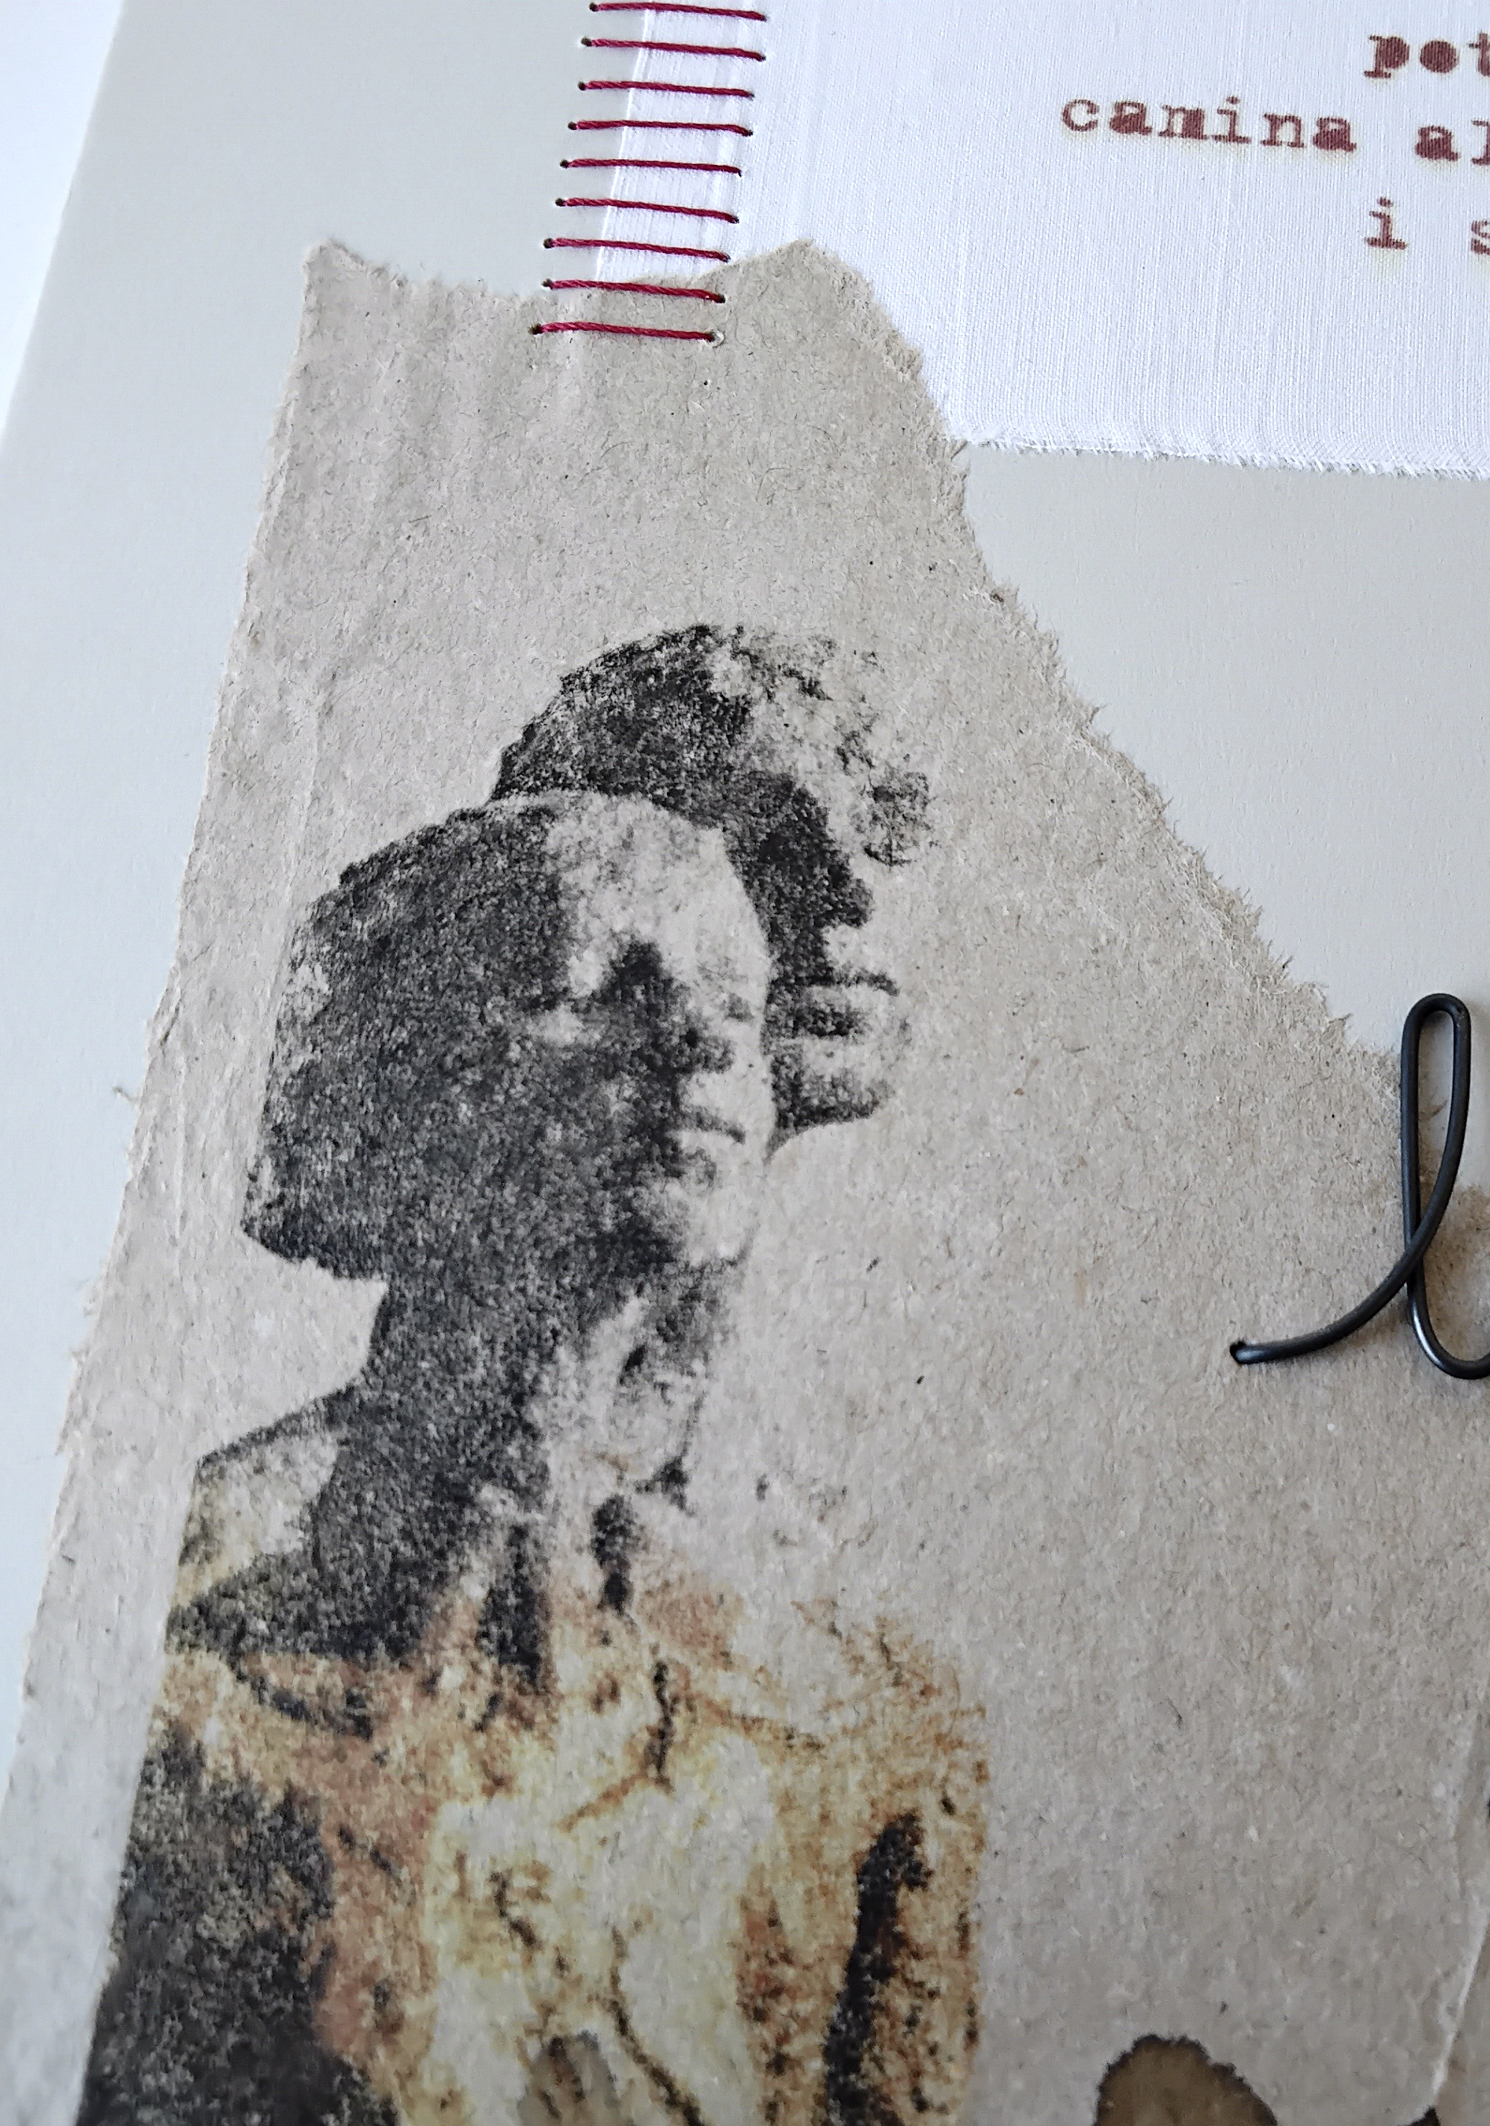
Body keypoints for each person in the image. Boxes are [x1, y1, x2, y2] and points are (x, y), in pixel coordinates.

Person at [79, 635, 980, 2126]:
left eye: (730, 988)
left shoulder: (860, 1701)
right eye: (771, 854)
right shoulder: (186, 1606)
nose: (850, 921)